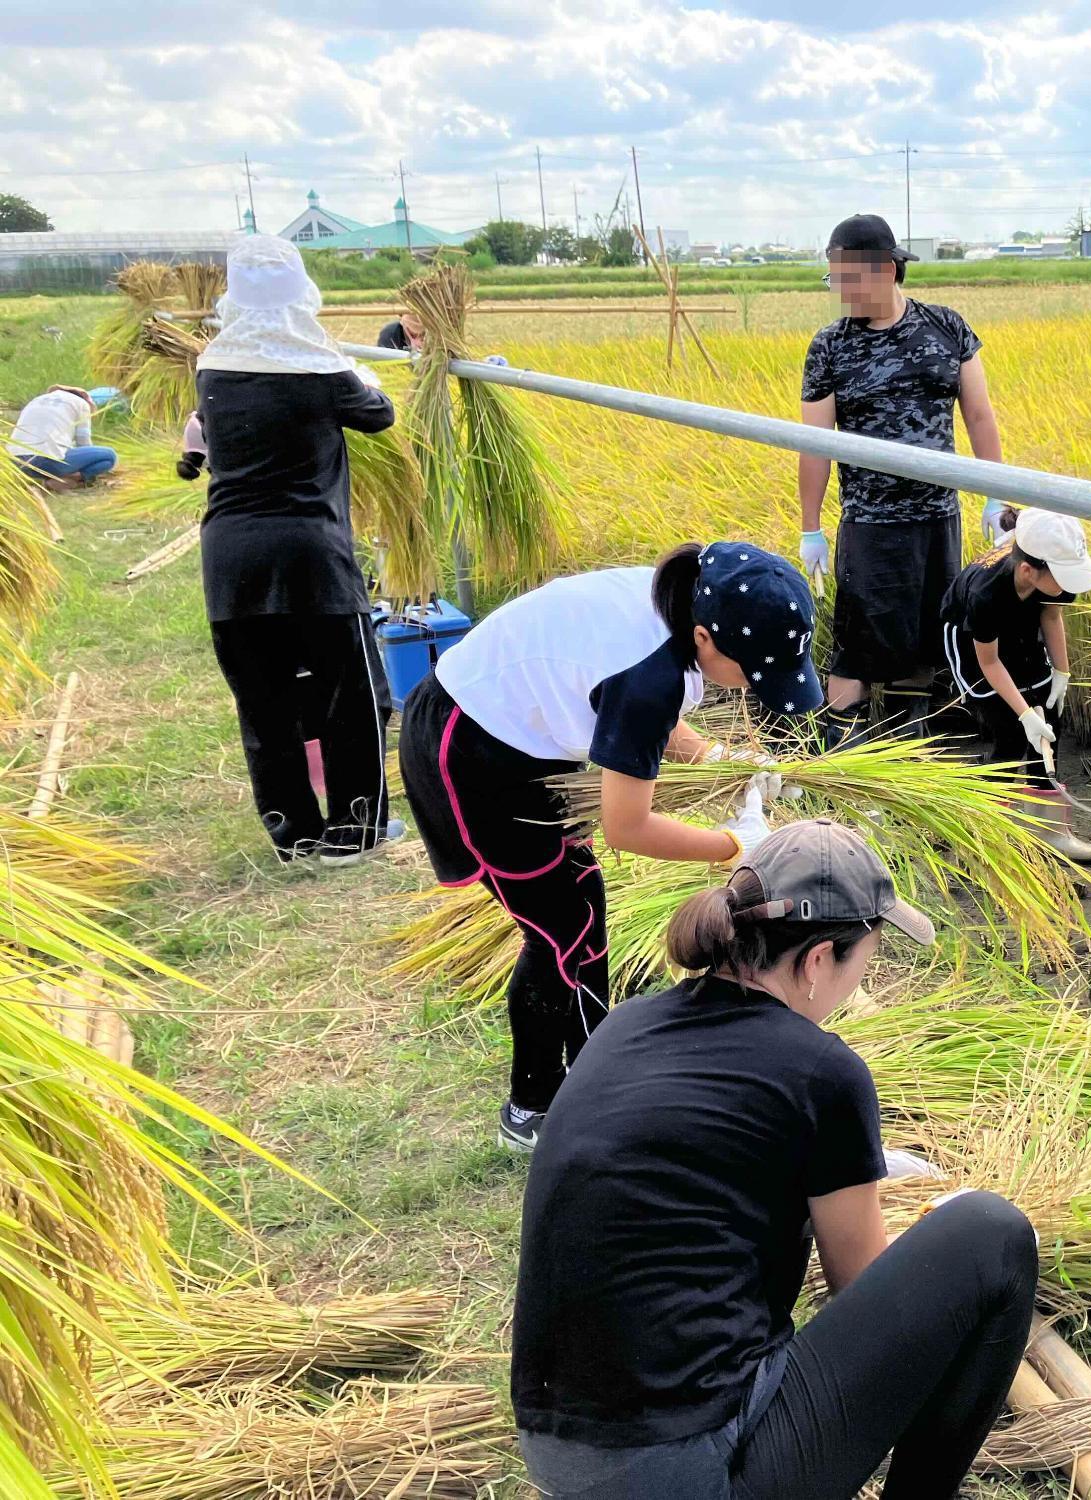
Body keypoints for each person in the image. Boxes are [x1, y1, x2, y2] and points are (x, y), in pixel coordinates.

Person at [512, 817, 1039, 1500]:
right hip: (684, 1469)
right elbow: (862, 1283)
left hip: (558, 1445)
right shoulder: (824, 1072)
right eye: (866, 958)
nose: (860, 980)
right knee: (993, 1236)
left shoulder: (629, 1023)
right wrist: (927, 1240)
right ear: (819, 960)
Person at [398, 542, 822, 1152]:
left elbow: (642, 710)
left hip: (516, 739)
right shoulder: (647, 670)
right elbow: (630, 825)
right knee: (561, 931)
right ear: (705, 638)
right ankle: (543, 1105)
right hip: (473, 754)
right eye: (752, 672)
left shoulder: (680, 601)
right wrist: (732, 846)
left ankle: (584, 1081)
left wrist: (716, 760)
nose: (753, 688)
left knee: (577, 913)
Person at [195, 235, 399, 867]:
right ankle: (355, 831)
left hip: (228, 554)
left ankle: (294, 832)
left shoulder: (212, 365)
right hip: (310, 552)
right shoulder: (321, 369)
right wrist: (358, 370)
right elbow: (380, 414)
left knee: (264, 698)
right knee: (353, 692)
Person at [798, 212, 1004, 748]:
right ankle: (841, 754)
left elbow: (979, 417)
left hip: (938, 517)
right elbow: (814, 443)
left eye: (848, 277)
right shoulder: (830, 346)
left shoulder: (947, 329)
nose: (840, 291)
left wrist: (996, 493)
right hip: (870, 523)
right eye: (833, 279)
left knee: (925, 636)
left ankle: (907, 744)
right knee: (858, 643)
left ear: (887, 269)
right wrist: (810, 526)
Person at [940, 506, 1091, 862]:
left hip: (1020, 627)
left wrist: (1061, 672)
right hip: (975, 645)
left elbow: (1051, 614)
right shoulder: (986, 594)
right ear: (1029, 570)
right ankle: (986, 835)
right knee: (1011, 733)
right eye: (1064, 577)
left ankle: (1052, 832)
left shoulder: (1049, 576)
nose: (1069, 587)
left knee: (1050, 726)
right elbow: (989, 661)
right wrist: (1025, 713)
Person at [7, 384, 117, 486]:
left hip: (15, 462)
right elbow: (84, 444)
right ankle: (68, 480)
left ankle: (53, 479)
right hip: (47, 462)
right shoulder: (81, 404)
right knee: (109, 456)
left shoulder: (35, 401)